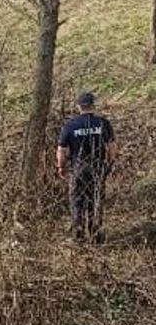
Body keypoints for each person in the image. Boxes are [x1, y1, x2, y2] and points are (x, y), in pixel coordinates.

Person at [57, 92, 117, 243]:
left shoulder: (70, 125)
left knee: (77, 201)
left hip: (78, 169)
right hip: (98, 169)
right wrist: (110, 164)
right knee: (95, 200)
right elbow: (112, 147)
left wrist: (61, 167)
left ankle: (78, 236)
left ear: (78, 106)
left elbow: (61, 150)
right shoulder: (103, 123)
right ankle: (95, 235)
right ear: (93, 105)